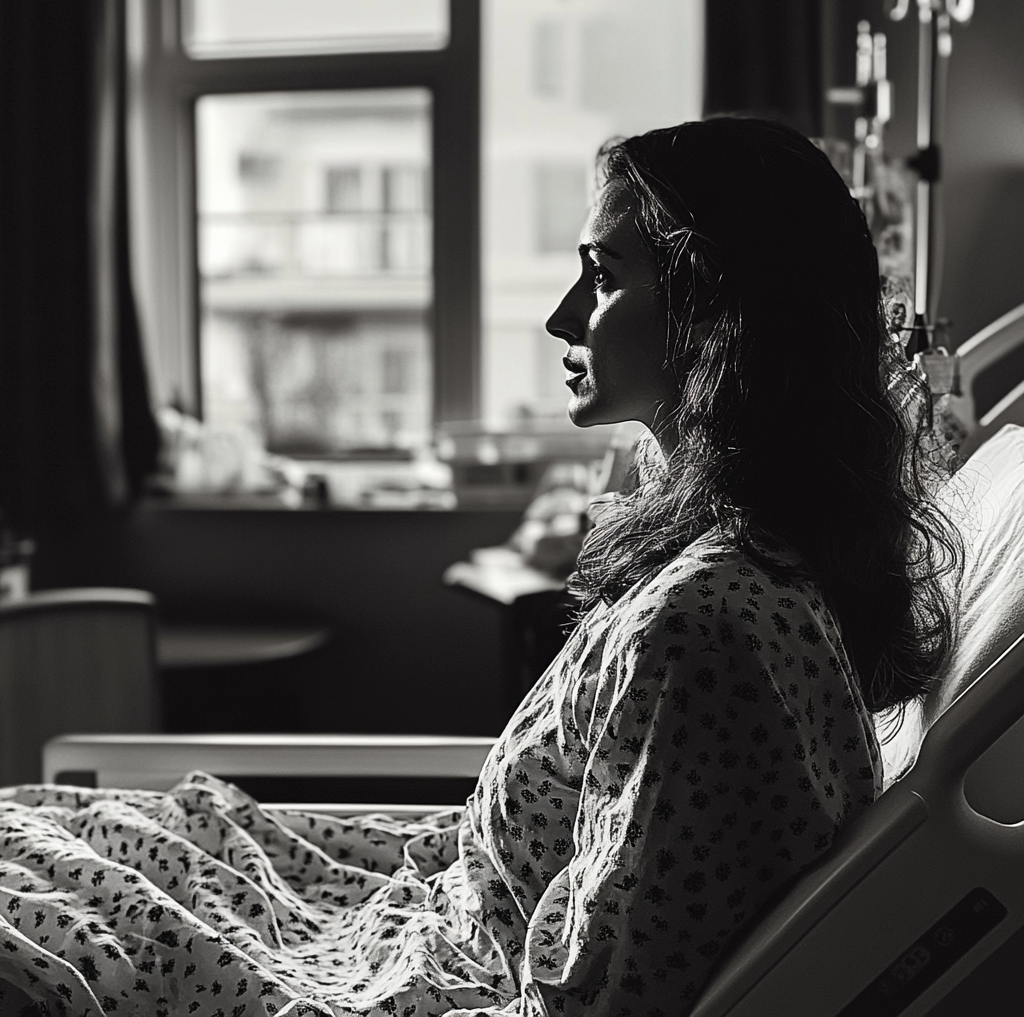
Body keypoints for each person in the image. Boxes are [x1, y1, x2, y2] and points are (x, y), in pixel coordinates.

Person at [0, 118, 961, 1017]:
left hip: (426, 964)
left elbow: (598, 996)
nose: (560, 316)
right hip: (429, 910)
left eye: (601, 274)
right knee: (67, 831)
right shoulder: (755, 566)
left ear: (718, 307)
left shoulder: (707, 628)